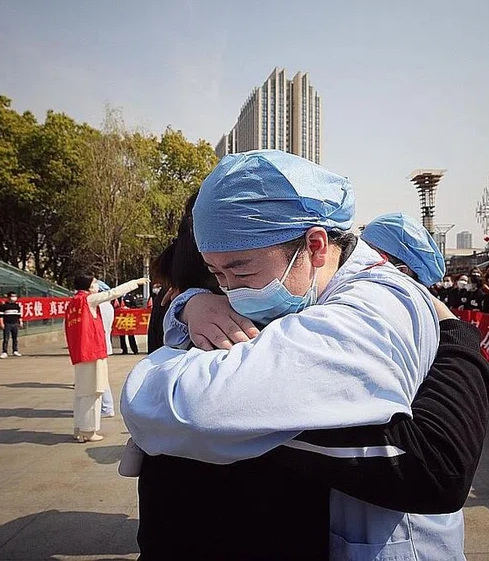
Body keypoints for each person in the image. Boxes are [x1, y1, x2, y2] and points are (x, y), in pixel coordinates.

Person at [122, 150, 465, 559]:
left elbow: (190, 405)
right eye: (217, 275)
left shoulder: (366, 311)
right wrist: (188, 302)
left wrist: (157, 370)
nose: (232, 290)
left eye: (242, 271)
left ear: (315, 246)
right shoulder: (306, 293)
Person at [66, 275, 146, 443]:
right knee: (93, 392)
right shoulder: (89, 299)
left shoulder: (74, 302)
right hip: (92, 352)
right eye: (94, 283)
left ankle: (79, 429)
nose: (97, 286)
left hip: (81, 353)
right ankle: (88, 431)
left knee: (81, 393)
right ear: (88, 286)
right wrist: (135, 283)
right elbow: (113, 293)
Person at [94, 281, 117, 419]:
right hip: (102, 345)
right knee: (100, 377)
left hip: (98, 345)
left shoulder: (100, 306)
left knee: (101, 378)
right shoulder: (107, 305)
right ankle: (105, 406)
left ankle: (107, 407)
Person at [0, 292, 24, 358]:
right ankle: (4, 352)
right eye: (12, 296)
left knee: (15, 338)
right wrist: (1, 323)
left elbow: (19, 315)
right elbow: (1, 316)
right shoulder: (4, 306)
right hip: (7, 324)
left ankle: (15, 350)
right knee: (6, 338)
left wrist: (20, 322)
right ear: (8, 297)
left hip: (15, 324)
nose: (14, 298)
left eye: (15, 296)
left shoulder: (17, 306)